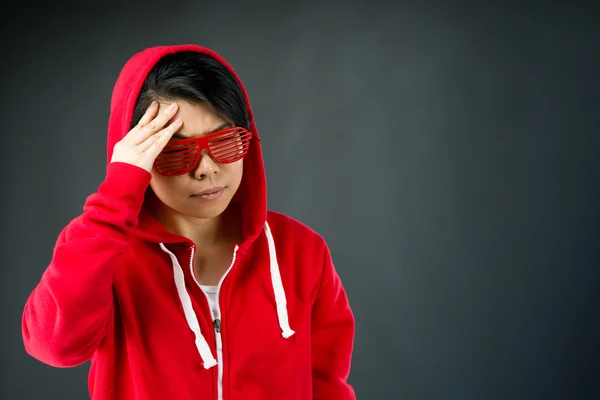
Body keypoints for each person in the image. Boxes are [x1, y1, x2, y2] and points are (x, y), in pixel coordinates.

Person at [21, 44, 356, 399]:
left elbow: (327, 385)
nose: (207, 168)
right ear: (139, 155)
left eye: (226, 142)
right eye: (177, 152)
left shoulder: (300, 250)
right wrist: (116, 194)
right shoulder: (103, 253)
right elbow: (54, 348)